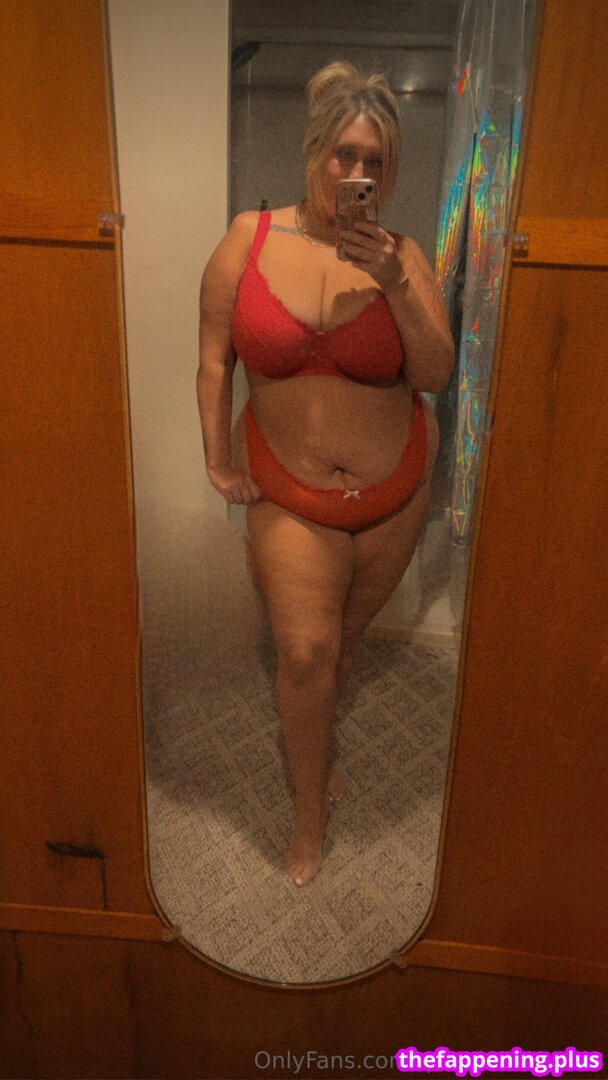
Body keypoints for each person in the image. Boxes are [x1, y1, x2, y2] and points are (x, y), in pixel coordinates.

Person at [197, 61, 454, 887]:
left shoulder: (403, 257)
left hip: (393, 495)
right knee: (306, 653)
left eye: (375, 161)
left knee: (343, 645)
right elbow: (214, 361)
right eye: (345, 154)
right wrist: (217, 458)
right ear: (314, 151)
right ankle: (308, 817)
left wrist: (393, 282)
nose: (358, 173)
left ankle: (320, 751)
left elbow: (437, 373)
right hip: (290, 494)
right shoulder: (248, 238)